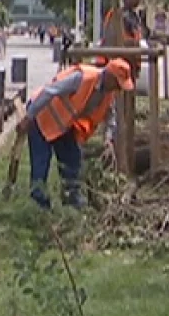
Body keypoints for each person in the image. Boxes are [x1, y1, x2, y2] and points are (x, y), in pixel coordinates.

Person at [18, 58, 135, 209]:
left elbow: (111, 117)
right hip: (42, 116)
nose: (118, 89)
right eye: (118, 84)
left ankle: (71, 199)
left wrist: (108, 139)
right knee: (41, 165)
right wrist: (29, 116)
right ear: (109, 76)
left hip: (63, 125)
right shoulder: (82, 78)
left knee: (72, 160)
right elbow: (49, 91)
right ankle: (40, 209)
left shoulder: (108, 93)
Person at [96, 0, 147, 66]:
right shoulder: (116, 14)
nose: (138, 1)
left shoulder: (135, 16)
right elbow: (110, 39)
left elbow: (141, 35)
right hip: (116, 60)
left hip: (131, 59)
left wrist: (143, 21)